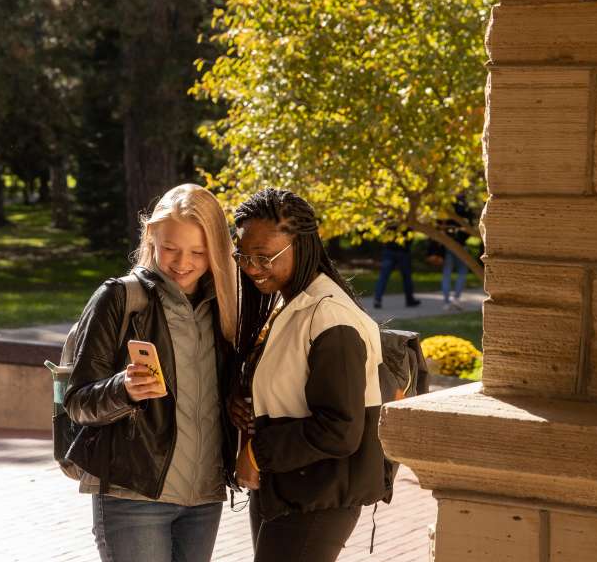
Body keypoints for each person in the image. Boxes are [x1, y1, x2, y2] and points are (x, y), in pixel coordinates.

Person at [63, 184, 239, 562]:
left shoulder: (225, 309)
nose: (182, 262)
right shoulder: (119, 298)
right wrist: (123, 388)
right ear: (151, 237)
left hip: (204, 498)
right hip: (132, 496)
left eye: (198, 251)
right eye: (171, 248)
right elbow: (77, 402)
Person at [227, 188, 389, 562]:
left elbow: (339, 429)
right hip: (287, 486)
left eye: (264, 257)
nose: (251, 267)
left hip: (317, 496)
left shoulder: (330, 316)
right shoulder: (291, 302)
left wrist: (256, 452)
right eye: (243, 256)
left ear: (302, 247)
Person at [371, 229, 420, 310]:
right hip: (402, 251)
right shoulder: (405, 219)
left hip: (390, 250)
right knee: (406, 277)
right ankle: (409, 300)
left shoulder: (389, 219)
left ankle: (377, 299)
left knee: (384, 276)